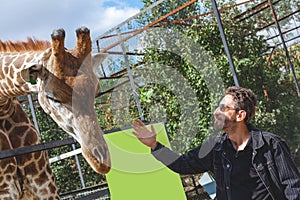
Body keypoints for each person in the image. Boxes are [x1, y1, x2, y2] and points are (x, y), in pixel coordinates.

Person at [132, 86, 300, 200]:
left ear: (240, 115)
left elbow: (293, 188)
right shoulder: (215, 147)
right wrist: (155, 146)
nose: (215, 112)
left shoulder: (271, 144)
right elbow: (183, 165)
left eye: (222, 108)